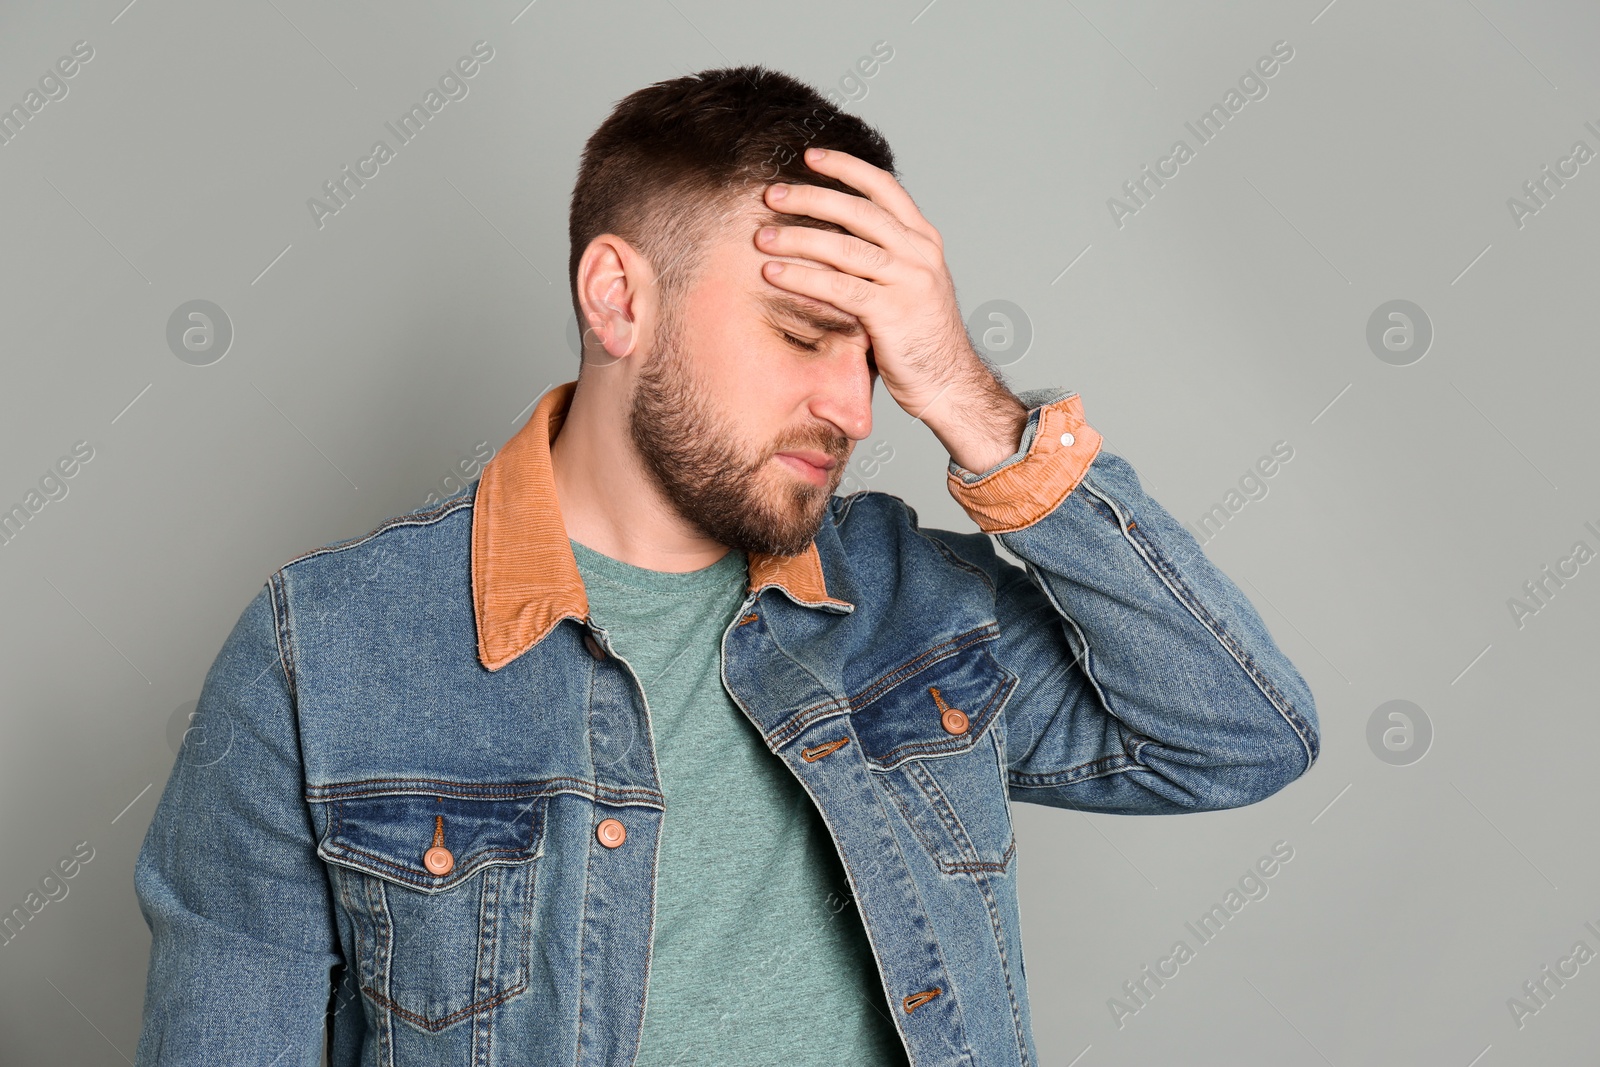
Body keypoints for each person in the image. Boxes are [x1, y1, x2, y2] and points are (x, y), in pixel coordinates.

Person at [133, 65, 1319, 1066]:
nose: (854, 408)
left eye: (879, 360)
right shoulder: (326, 651)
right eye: (804, 338)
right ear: (618, 299)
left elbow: (1237, 736)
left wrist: (964, 390)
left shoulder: (905, 599)